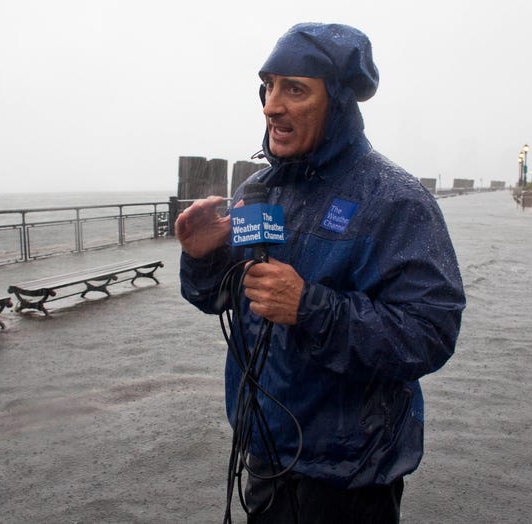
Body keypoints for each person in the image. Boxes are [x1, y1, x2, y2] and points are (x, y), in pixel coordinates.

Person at [177, 22, 465, 523]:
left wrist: (309, 307)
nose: (271, 105)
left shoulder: (394, 200)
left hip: (351, 474)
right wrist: (204, 259)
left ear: (336, 102)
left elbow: (430, 333)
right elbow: (228, 301)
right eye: (268, 86)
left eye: (295, 89)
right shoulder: (258, 192)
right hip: (266, 451)